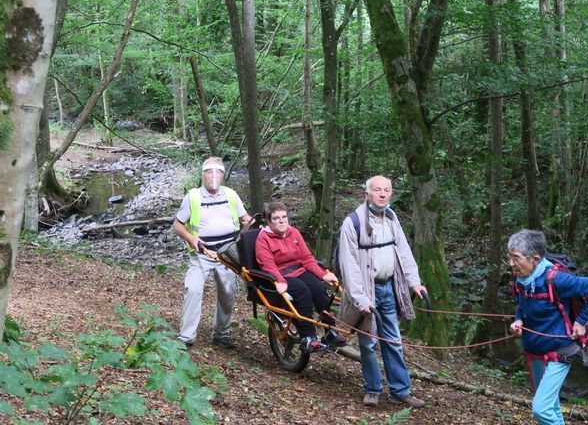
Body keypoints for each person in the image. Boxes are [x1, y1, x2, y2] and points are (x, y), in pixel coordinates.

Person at [337, 175, 428, 408]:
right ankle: (373, 389)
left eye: (386, 190)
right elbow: (349, 265)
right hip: (366, 291)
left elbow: (404, 251)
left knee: (394, 340)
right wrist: (360, 299)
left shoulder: (391, 217)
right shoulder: (353, 222)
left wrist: (414, 282)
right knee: (368, 343)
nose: (382, 194)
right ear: (366, 194)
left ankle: (399, 391)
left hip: (389, 288)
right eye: (377, 190)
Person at [508, 229, 588, 425]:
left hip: (559, 353)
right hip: (533, 351)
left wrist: (581, 320)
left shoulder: (557, 279)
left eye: (516, 258)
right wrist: (518, 319)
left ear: (535, 259)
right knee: (550, 405)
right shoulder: (521, 279)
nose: (511, 263)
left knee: (541, 409)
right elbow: (521, 303)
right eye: (510, 258)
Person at [174, 157, 252, 349]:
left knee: (228, 292)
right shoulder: (192, 197)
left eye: (218, 172)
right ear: (203, 174)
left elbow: (245, 220)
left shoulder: (231, 195)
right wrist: (191, 238)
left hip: (227, 254)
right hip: (201, 253)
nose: (214, 176)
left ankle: (221, 334)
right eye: (210, 172)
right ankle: (186, 337)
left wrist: (263, 230)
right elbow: (177, 225)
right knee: (193, 289)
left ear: (223, 175)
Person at [255, 202, 346, 353]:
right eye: (277, 218)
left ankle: (330, 330)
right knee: (303, 292)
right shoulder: (263, 239)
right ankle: (308, 337)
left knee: (317, 287)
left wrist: (323, 275)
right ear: (269, 222)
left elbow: (307, 258)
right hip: (282, 274)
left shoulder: (294, 232)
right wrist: (280, 281)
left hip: (299, 270)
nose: (282, 221)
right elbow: (268, 265)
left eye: (284, 217)